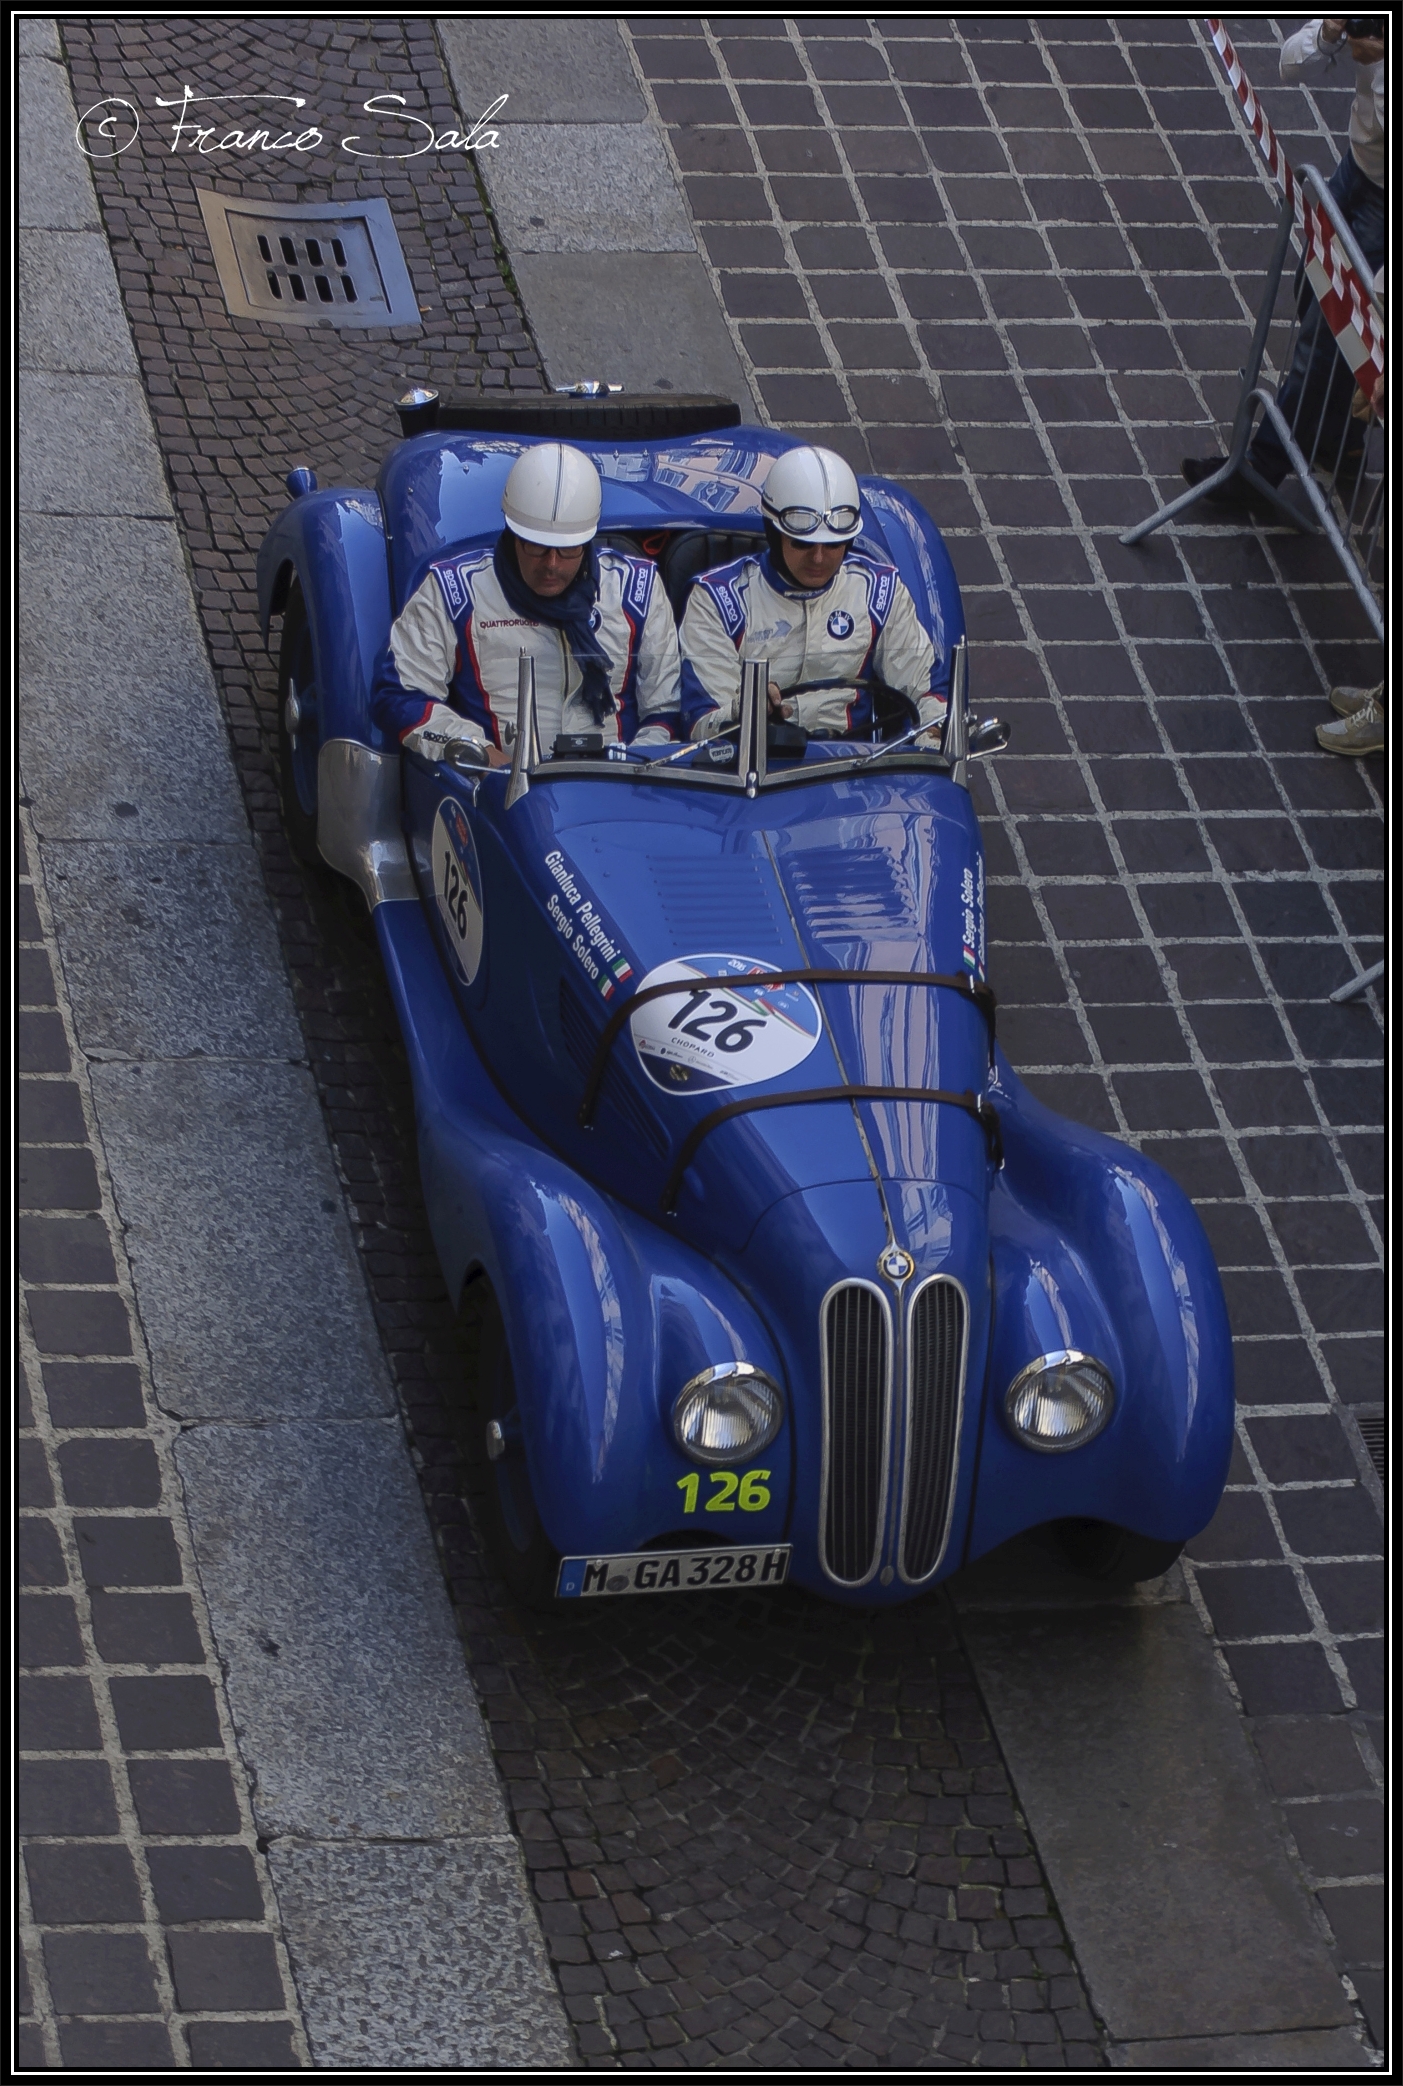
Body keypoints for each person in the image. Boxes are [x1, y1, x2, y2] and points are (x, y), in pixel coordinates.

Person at [1182, 17, 1386, 510]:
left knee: (1323, 337)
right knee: (1306, 289)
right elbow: (1290, 62)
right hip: (1354, 173)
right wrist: (1331, 34)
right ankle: (1339, 439)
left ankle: (1261, 467)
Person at [371, 442, 680, 762]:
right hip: (501, 789)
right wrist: (480, 753)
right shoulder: (454, 591)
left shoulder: (637, 589)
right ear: (512, 534)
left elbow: (667, 711)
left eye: (568, 549)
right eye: (537, 546)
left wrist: (638, 768)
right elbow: (399, 695)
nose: (552, 564)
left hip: (615, 788)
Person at [678, 446, 946, 745]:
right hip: (755, 773)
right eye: (802, 544)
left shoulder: (880, 591)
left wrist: (933, 732)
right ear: (772, 531)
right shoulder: (716, 599)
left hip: (857, 770)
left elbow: (927, 690)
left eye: (833, 545)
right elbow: (701, 726)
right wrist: (743, 713)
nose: (818, 559)